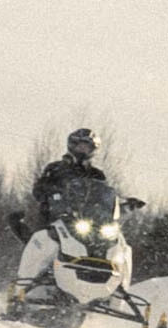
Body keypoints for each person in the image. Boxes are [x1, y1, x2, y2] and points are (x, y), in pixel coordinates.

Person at [7, 129, 110, 314]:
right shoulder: (55, 168)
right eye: (80, 145)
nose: (83, 149)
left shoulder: (97, 175)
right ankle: (22, 289)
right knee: (47, 241)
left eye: (87, 146)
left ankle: (104, 292)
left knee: (108, 247)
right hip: (56, 217)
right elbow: (38, 190)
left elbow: (104, 196)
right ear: (72, 145)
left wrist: (123, 204)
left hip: (86, 223)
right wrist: (51, 190)